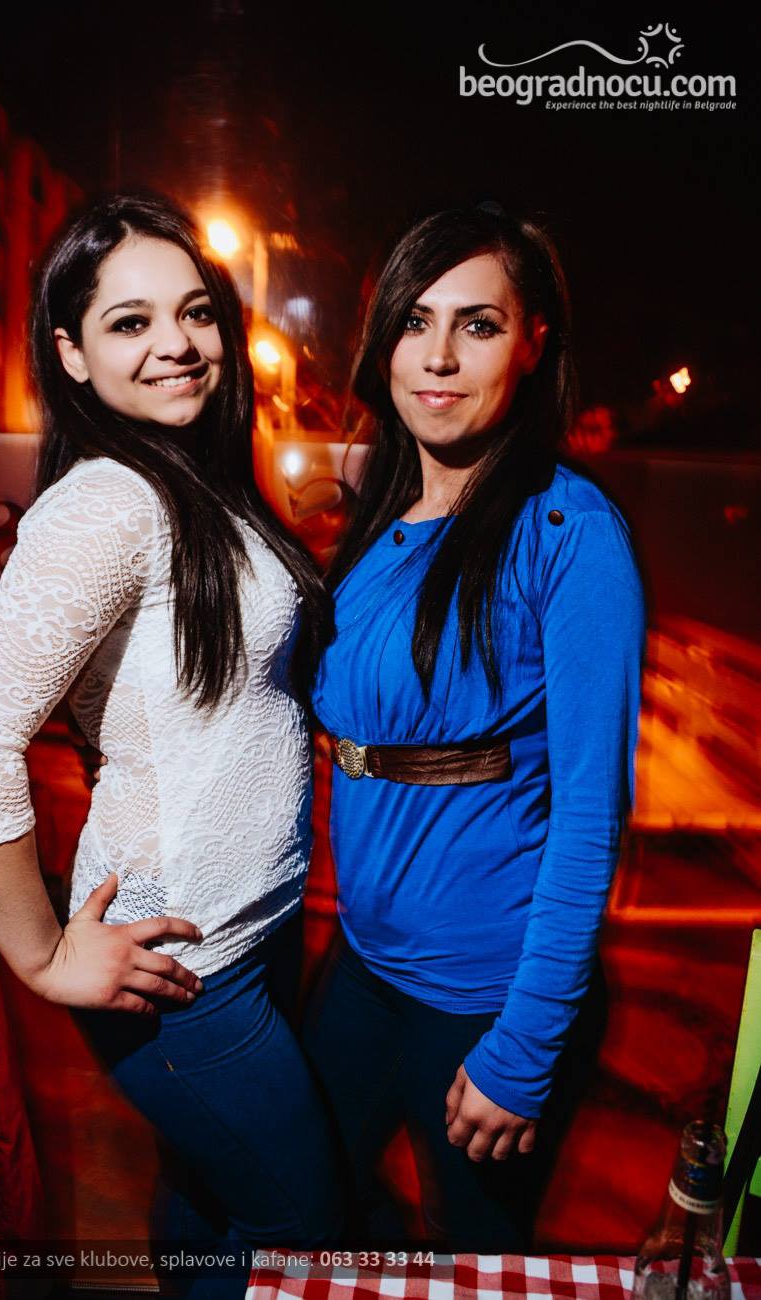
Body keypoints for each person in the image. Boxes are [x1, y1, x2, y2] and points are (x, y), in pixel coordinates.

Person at [0, 193, 341, 1293]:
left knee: (209, 1207)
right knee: (304, 1224)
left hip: (245, 925)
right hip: (180, 963)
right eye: (129, 322)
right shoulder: (107, 502)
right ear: (70, 354)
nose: (177, 344)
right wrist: (43, 957)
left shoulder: (191, 476)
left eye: (194, 313)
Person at [303, 204, 645, 1250]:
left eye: (477, 325)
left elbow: (589, 814)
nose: (438, 356)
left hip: (485, 991)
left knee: (472, 1261)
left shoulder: (566, 531)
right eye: (415, 321)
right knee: (295, 1202)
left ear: (531, 342)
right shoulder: (377, 514)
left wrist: (525, 1044)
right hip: (362, 961)